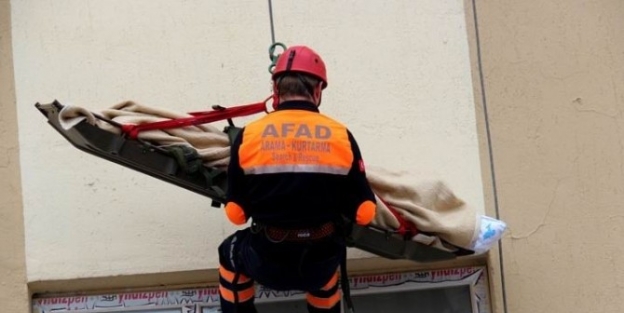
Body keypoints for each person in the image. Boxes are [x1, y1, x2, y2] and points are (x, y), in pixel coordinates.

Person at [217, 45, 377, 313]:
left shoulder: (250, 135)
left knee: (229, 253)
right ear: (317, 91)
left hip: (267, 259)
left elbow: (236, 213)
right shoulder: (341, 135)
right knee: (327, 268)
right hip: (319, 262)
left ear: (276, 90)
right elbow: (365, 212)